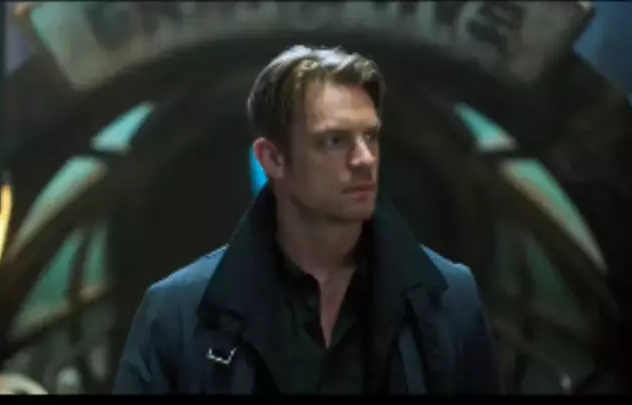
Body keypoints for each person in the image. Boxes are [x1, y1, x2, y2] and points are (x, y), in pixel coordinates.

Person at [112, 45, 501, 395]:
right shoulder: (176, 315)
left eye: (370, 137)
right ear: (273, 159)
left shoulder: (450, 299)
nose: (364, 159)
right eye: (334, 140)